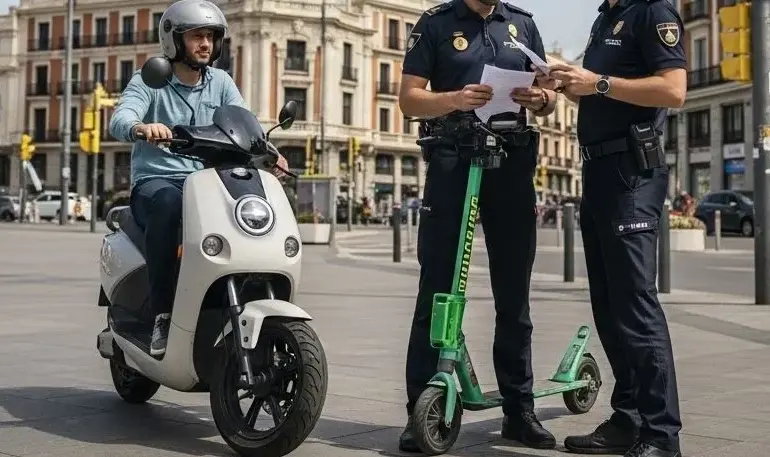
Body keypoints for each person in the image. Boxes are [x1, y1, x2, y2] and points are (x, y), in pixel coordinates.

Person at [397, 0, 559, 451]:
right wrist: (454, 99)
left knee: (514, 292)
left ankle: (519, 410)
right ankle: (421, 410)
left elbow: (547, 95)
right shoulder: (435, 23)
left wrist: (541, 98)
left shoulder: (522, 24)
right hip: (452, 161)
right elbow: (409, 98)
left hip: (512, 161)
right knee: (437, 288)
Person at [537, 0, 686, 456]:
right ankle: (628, 418)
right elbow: (600, 92)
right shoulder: (607, 17)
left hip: (632, 174)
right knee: (609, 304)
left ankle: (661, 435)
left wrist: (597, 81)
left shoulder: (653, 11)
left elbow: (673, 90)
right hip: (599, 173)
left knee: (636, 306)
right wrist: (568, 82)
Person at [109, 0, 288, 357]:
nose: (205, 43)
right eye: (196, 36)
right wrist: (141, 127)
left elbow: (243, 120)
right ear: (174, 41)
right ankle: (162, 313)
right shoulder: (151, 78)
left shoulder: (220, 81)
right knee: (168, 204)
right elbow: (120, 117)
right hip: (158, 183)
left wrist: (269, 150)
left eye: (210, 36)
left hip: (208, 183)